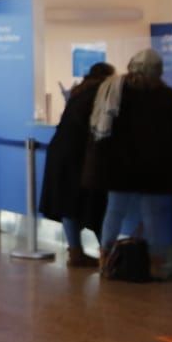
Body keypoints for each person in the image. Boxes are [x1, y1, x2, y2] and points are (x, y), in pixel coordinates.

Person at [89, 49, 172, 263]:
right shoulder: (164, 95)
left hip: (120, 166)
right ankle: (156, 262)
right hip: (156, 167)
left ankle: (105, 258)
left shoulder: (114, 91)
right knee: (155, 216)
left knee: (115, 211)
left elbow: (101, 127)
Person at [39, 62, 116, 268]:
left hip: (60, 153)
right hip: (79, 156)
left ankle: (76, 252)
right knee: (95, 204)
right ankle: (107, 256)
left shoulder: (79, 92)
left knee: (68, 205)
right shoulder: (101, 94)